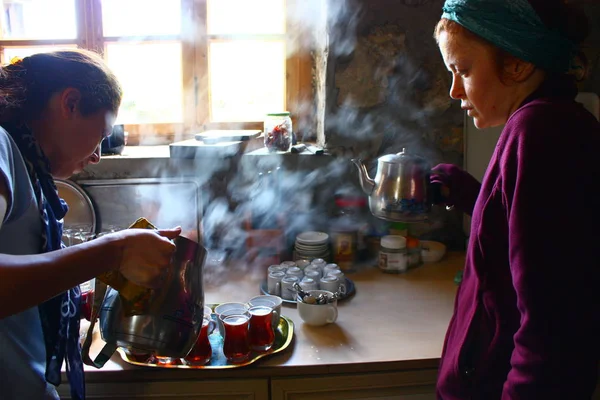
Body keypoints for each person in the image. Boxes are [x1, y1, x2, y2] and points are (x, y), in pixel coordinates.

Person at [431, 0, 600, 398]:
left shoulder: (541, 133)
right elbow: (531, 238)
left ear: (518, 64)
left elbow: (552, 333)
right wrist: (471, 194)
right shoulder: (546, 124)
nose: (455, 91)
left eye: (463, 70)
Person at [0, 50, 181, 399]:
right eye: (101, 133)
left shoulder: (28, 166)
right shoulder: (2, 148)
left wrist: (85, 291)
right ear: (70, 103)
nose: (97, 155)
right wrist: (115, 251)